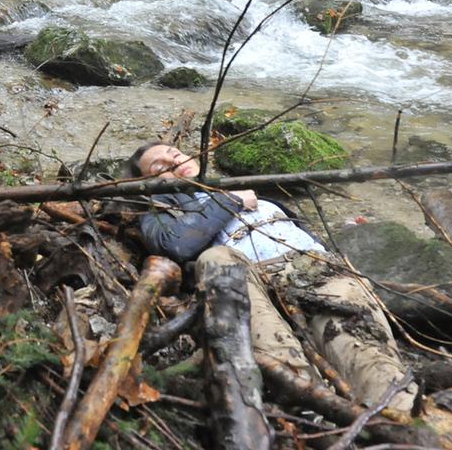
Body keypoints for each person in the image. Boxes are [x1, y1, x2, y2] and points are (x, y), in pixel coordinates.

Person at [127, 141, 418, 414]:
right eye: (159, 167)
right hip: (252, 279)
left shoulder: (237, 187)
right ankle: (310, 406)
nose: (173, 159)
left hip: (313, 267)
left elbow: (298, 232)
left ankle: (404, 419)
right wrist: (230, 201)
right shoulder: (161, 208)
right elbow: (174, 244)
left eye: (173, 151)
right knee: (215, 260)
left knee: (366, 353)